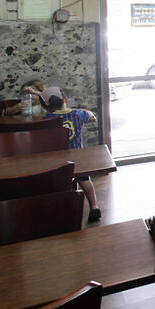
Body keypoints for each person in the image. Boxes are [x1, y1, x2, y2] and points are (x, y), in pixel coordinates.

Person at [39, 87, 102, 222]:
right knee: (85, 180)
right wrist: (85, 111)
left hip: (57, 159)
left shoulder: (47, 119)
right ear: (65, 100)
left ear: (45, 106)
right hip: (77, 156)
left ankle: (63, 208)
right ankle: (94, 206)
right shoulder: (78, 114)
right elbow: (92, 117)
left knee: (60, 182)